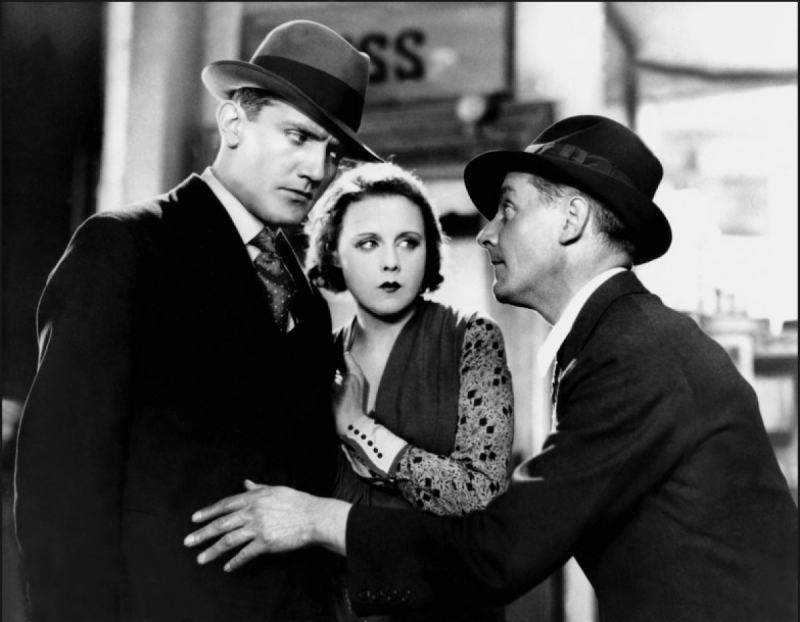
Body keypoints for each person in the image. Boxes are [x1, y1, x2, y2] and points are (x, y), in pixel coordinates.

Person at [185, 115, 798, 622]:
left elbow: (500, 550)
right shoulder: (619, 339)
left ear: (572, 220)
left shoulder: (637, 354)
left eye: (507, 208)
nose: (484, 234)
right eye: (367, 243)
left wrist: (314, 519)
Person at [14, 20, 381, 622]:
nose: (316, 169)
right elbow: (60, 485)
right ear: (233, 123)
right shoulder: (126, 248)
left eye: (332, 154)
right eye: (297, 136)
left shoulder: (307, 302)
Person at [304, 162, 514, 621]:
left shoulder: (472, 338)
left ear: (428, 250)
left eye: (408, 242)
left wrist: (359, 429)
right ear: (334, 253)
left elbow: (484, 500)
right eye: (368, 243)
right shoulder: (316, 360)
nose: (391, 262)